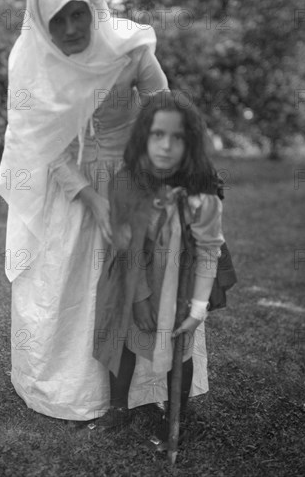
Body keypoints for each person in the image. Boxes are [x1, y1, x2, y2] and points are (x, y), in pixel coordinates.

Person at [0, 0, 169, 421]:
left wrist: (147, 174)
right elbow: (42, 145)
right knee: (64, 282)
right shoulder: (34, 65)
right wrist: (90, 197)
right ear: (43, 23)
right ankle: (67, 388)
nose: (71, 29)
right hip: (67, 182)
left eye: (78, 15)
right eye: (59, 20)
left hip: (131, 176)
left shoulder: (130, 49)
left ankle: (141, 390)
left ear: (93, 8)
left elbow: (163, 112)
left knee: (137, 279)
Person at [93, 89, 237, 444]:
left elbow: (208, 250)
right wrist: (140, 298)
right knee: (127, 339)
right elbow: (125, 247)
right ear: (144, 136)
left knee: (181, 347)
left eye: (178, 137)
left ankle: (176, 414)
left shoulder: (203, 193)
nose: (166, 146)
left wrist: (197, 307)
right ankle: (118, 406)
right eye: (158, 134)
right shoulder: (126, 183)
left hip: (182, 284)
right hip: (138, 277)